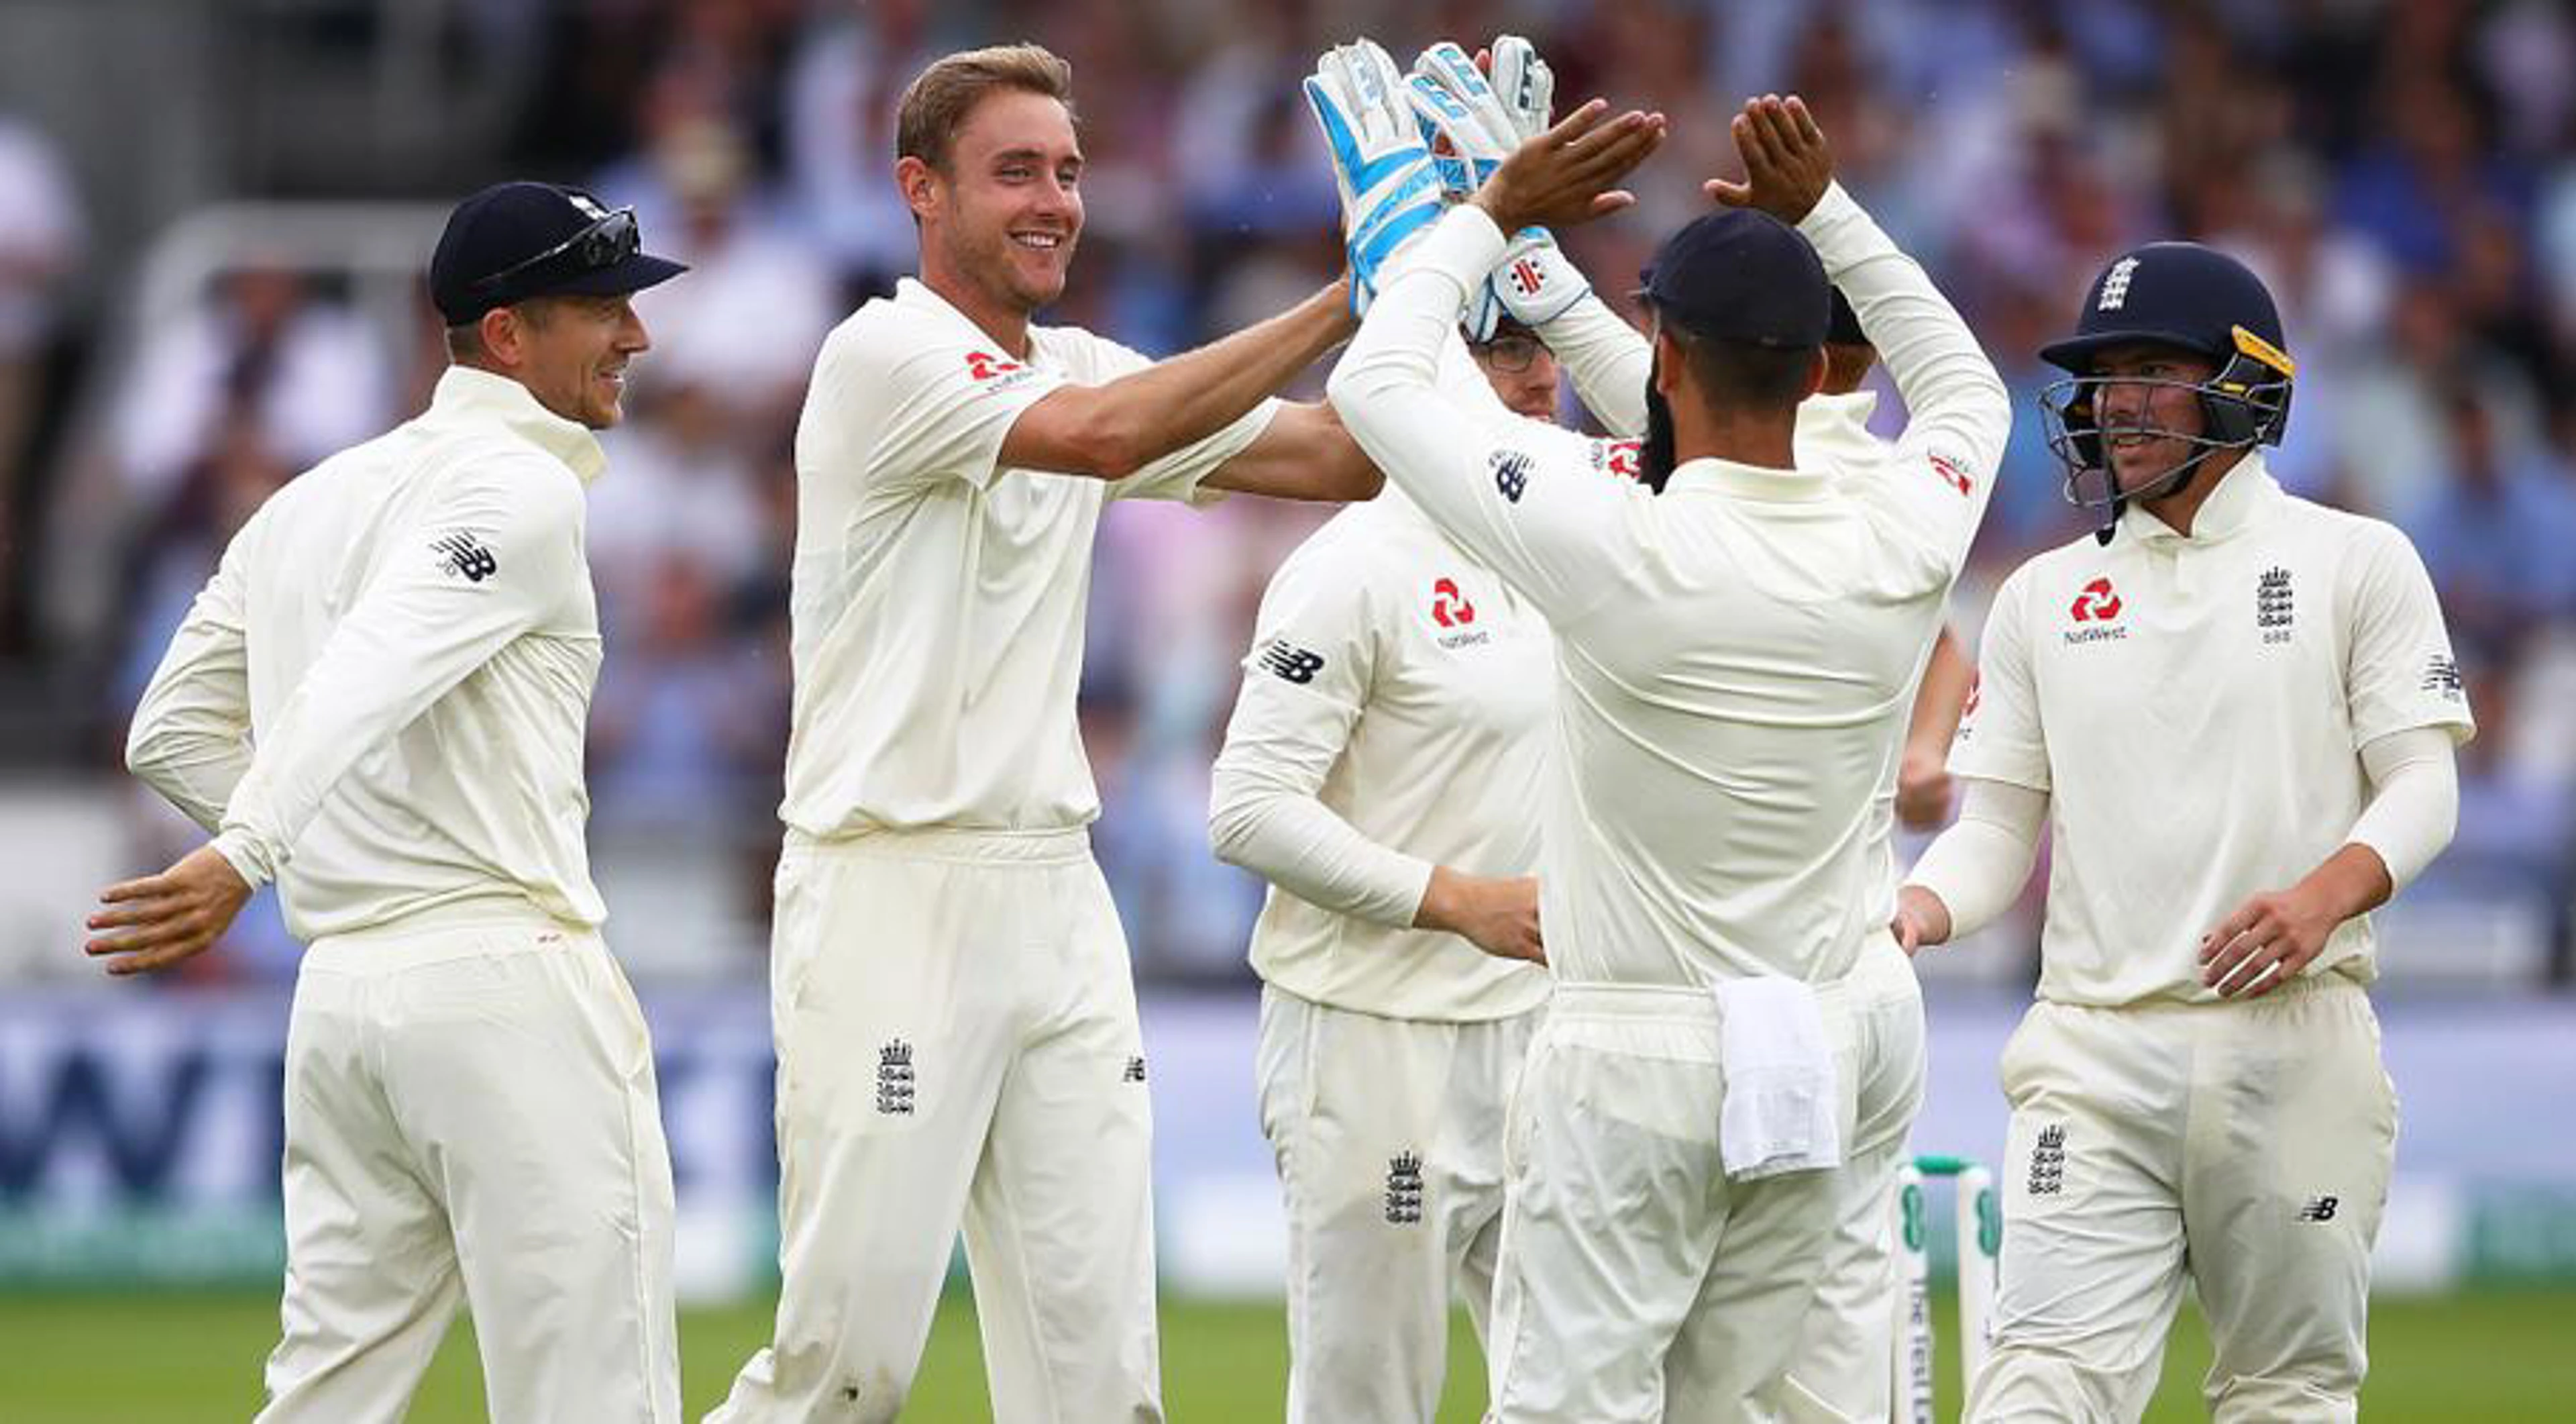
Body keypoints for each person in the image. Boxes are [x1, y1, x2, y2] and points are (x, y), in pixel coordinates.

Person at [1316, 34, 2008, 1418]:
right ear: (1817, 373)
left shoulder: (1616, 544)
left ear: (1668, 355)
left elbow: (1374, 389)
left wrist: (1487, 214)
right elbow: (1970, 385)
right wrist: (1827, 210)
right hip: (1828, 1036)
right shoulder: (1902, 529)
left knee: (1567, 1402)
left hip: (1636, 1050)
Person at [707, 44, 1382, 1424]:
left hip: (1058, 899)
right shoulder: (882, 353)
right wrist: (1348, 288)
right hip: (890, 887)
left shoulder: (1075, 361)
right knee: (846, 1374)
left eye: (1069, 173)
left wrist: (1448, 275)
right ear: (920, 188)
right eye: (1015, 171)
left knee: (1104, 1385)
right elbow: (1100, 436)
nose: (1055, 202)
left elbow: (1341, 458)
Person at [97, 182, 688, 1422]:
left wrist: (330, 841)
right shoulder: (524, 488)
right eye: (601, 308)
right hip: (504, 985)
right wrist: (251, 848)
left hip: (342, 1006)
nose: (636, 335)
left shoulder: (307, 501)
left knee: (326, 1394)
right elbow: (377, 661)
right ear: (508, 334)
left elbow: (170, 731)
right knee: (591, 1395)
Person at [1894, 241, 2473, 1422]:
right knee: (2037, 1383)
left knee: (2287, 1391)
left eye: (2154, 371)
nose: (2118, 404)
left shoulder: (2354, 561)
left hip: (2293, 1041)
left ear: (2245, 386)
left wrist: (2321, 898)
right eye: (2105, 377)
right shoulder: (2041, 597)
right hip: (2094, 1053)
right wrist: (1917, 906)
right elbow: (1996, 829)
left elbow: (2424, 783)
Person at [1205, 315, 1561, 1423]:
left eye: (1548, 341)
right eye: (1508, 346)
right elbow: (1248, 808)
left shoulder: (1563, 544)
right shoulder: (1353, 567)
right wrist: (1455, 901)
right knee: (1370, 1402)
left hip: (1543, 1036)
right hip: (1374, 1043)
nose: (1546, 373)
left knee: (1586, 1391)